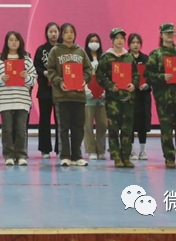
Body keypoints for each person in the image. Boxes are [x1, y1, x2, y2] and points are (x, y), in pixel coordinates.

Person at [145, 22, 176, 169]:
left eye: (171, 33)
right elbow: (148, 75)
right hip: (164, 98)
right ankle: (169, 158)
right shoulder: (155, 54)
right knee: (166, 130)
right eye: (167, 33)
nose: (169, 36)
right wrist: (162, 77)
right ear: (161, 35)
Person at [46, 23, 91, 167]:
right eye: (66, 32)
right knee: (63, 128)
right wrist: (59, 82)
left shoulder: (80, 51)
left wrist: (84, 80)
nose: (69, 34)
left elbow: (88, 69)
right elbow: (50, 70)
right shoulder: (55, 51)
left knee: (78, 127)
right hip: (62, 96)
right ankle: (65, 156)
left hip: (78, 96)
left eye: (72, 32)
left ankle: (77, 156)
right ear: (62, 34)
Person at [0, 31, 37, 166]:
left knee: (21, 129)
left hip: (22, 99)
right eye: (11, 40)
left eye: (16, 40)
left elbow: (34, 79)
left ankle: (21, 155)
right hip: (5, 99)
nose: (14, 42)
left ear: (20, 42)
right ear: (6, 42)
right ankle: (8, 155)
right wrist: (0, 79)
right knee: (7, 129)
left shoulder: (26, 60)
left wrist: (26, 77)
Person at [96, 28, 138, 168]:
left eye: (122, 38)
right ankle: (116, 157)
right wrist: (110, 85)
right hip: (113, 99)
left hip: (127, 98)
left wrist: (133, 84)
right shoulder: (106, 57)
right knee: (113, 128)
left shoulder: (129, 57)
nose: (120, 41)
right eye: (117, 38)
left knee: (127, 129)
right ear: (112, 40)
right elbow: (100, 75)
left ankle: (126, 156)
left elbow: (136, 75)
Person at [33, 22, 60, 159]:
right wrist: (44, 73)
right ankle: (45, 149)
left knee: (60, 120)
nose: (53, 34)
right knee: (44, 120)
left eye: (55, 31)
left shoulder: (63, 49)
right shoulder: (41, 49)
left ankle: (60, 149)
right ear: (46, 33)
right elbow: (35, 67)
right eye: (51, 31)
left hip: (60, 90)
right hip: (45, 90)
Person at [83, 32, 107, 161]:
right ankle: (91, 150)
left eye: (96, 41)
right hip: (88, 96)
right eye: (91, 41)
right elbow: (81, 76)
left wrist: (105, 91)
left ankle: (101, 150)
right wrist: (87, 91)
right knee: (88, 124)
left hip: (102, 96)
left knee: (102, 124)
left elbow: (107, 76)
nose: (94, 43)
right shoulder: (83, 58)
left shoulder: (104, 58)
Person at [128, 33, 151, 161]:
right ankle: (131, 151)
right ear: (129, 44)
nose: (135, 45)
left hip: (143, 96)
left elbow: (151, 76)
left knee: (143, 123)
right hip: (130, 95)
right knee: (130, 123)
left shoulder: (147, 59)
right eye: (133, 42)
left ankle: (143, 150)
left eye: (137, 42)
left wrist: (148, 84)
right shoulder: (125, 58)